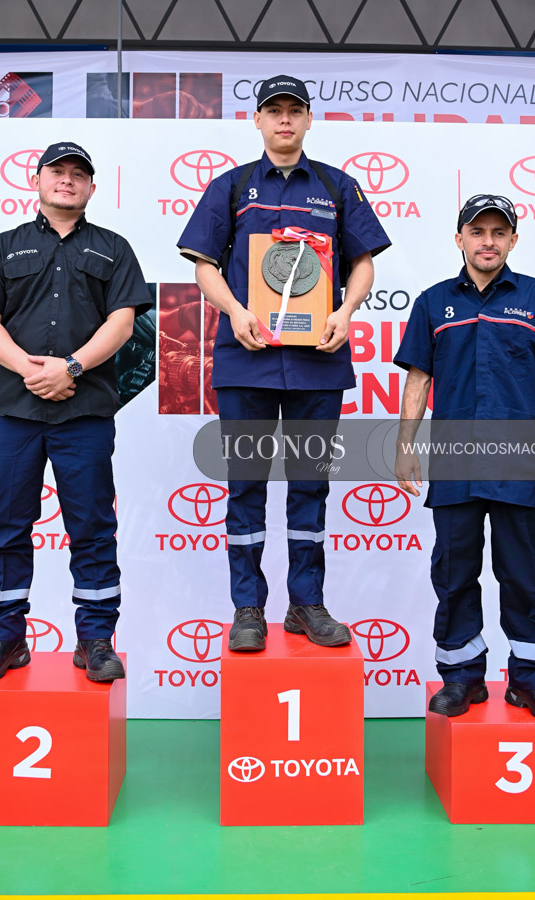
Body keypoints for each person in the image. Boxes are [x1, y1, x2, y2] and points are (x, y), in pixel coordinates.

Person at [178, 75, 390, 651]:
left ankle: (307, 603)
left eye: (295, 111)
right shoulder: (232, 185)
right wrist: (236, 311)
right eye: (274, 111)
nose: (285, 120)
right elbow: (203, 266)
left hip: (317, 363)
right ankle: (248, 607)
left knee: (310, 487)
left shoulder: (338, 187)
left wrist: (346, 310)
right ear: (258, 120)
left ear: (309, 119)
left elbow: (363, 262)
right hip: (245, 360)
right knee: (245, 486)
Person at [0, 142, 151, 683]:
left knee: (91, 524)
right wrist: (29, 369)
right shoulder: (5, 247)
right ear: (38, 182)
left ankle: (94, 639)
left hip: (84, 408)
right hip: (14, 411)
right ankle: (5, 638)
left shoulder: (114, 249)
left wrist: (70, 367)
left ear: (91, 188)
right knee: (7, 523)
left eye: (78, 175)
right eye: (57, 172)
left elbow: (122, 322)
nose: (67, 181)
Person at [393, 193, 535, 722]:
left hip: (521, 462)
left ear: (513, 241)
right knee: (454, 575)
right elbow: (418, 378)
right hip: (454, 462)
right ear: (460, 239)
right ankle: (461, 677)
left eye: (499, 232)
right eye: (478, 232)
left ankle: (531, 680)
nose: (488, 241)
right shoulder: (434, 303)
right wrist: (405, 445)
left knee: (523, 573)